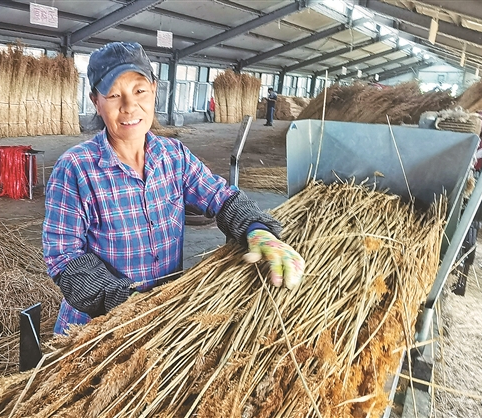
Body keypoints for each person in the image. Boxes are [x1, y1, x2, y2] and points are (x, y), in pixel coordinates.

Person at [42, 42, 305, 335]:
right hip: (94, 332)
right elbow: (64, 257)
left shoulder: (173, 155)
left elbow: (220, 196)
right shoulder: (76, 169)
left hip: (163, 323)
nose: (129, 106)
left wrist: (256, 229)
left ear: (154, 90)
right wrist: (124, 301)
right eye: (115, 95)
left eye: (139, 91)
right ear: (95, 101)